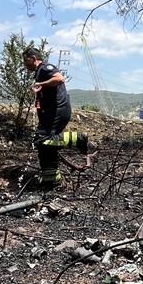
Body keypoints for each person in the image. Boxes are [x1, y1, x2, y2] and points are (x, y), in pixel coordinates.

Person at [22, 47, 88, 188]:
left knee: (42, 139)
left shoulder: (45, 68)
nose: (25, 65)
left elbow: (59, 79)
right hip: (50, 112)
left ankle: (79, 139)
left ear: (34, 58)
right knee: (45, 147)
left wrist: (41, 84)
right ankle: (52, 180)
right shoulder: (39, 72)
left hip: (58, 110)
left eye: (26, 61)